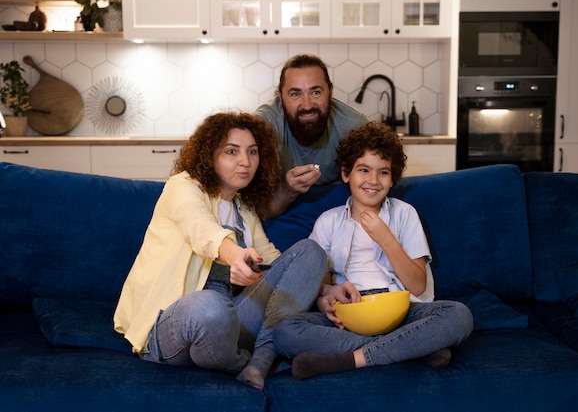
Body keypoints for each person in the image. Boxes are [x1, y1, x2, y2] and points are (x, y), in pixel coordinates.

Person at [113, 112, 327, 390]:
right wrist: (235, 254)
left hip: (230, 324)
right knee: (209, 306)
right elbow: (199, 228)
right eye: (231, 151)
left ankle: (259, 361)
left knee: (310, 252)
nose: (245, 161)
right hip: (175, 325)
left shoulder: (244, 209)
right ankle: (246, 363)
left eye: (252, 152)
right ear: (209, 155)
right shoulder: (183, 186)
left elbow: (276, 263)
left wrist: (324, 293)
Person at [273, 122, 474, 380]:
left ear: (392, 179)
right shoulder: (328, 221)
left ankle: (352, 359)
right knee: (286, 331)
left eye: (383, 173)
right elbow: (320, 287)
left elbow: (418, 286)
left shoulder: (405, 215)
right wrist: (326, 300)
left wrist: (386, 239)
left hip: (401, 311)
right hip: (350, 316)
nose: (373, 181)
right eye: (364, 170)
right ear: (346, 173)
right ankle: (410, 349)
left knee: (459, 315)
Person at [255, 53, 368, 217]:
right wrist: (287, 189)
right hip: (280, 209)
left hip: (337, 210)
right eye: (295, 94)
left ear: (330, 92)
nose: (307, 105)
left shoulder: (354, 126)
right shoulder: (262, 127)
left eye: (315, 92)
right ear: (279, 97)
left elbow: (372, 193)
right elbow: (255, 210)